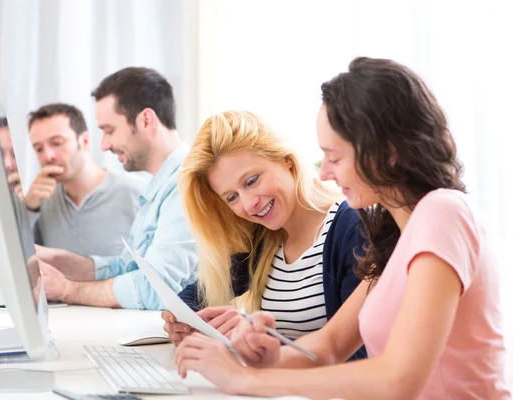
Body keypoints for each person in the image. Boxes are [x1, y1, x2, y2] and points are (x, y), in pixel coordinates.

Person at [173, 57, 511, 399]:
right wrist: (268, 358)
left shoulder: (443, 213)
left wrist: (245, 380)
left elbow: (398, 379)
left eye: (334, 157)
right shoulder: (395, 233)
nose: (324, 173)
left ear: (386, 153)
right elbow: (331, 344)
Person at [162, 110, 366, 361]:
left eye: (252, 181)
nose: (249, 205)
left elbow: (360, 355)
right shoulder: (265, 240)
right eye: (232, 197)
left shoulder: (352, 229)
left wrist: (256, 338)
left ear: (285, 159)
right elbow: (197, 295)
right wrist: (184, 320)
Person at [34, 67, 198, 310]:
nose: (105, 144)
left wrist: (68, 289)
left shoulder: (186, 184)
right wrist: (59, 260)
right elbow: (127, 267)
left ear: (145, 120)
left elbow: (155, 289)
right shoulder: (159, 187)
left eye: (109, 130)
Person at [25, 103, 144, 257]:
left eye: (57, 143)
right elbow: (20, 260)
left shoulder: (137, 194)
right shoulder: (41, 202)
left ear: (85, 141)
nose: (48, 156)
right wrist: (28, 210)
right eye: (39, 149)